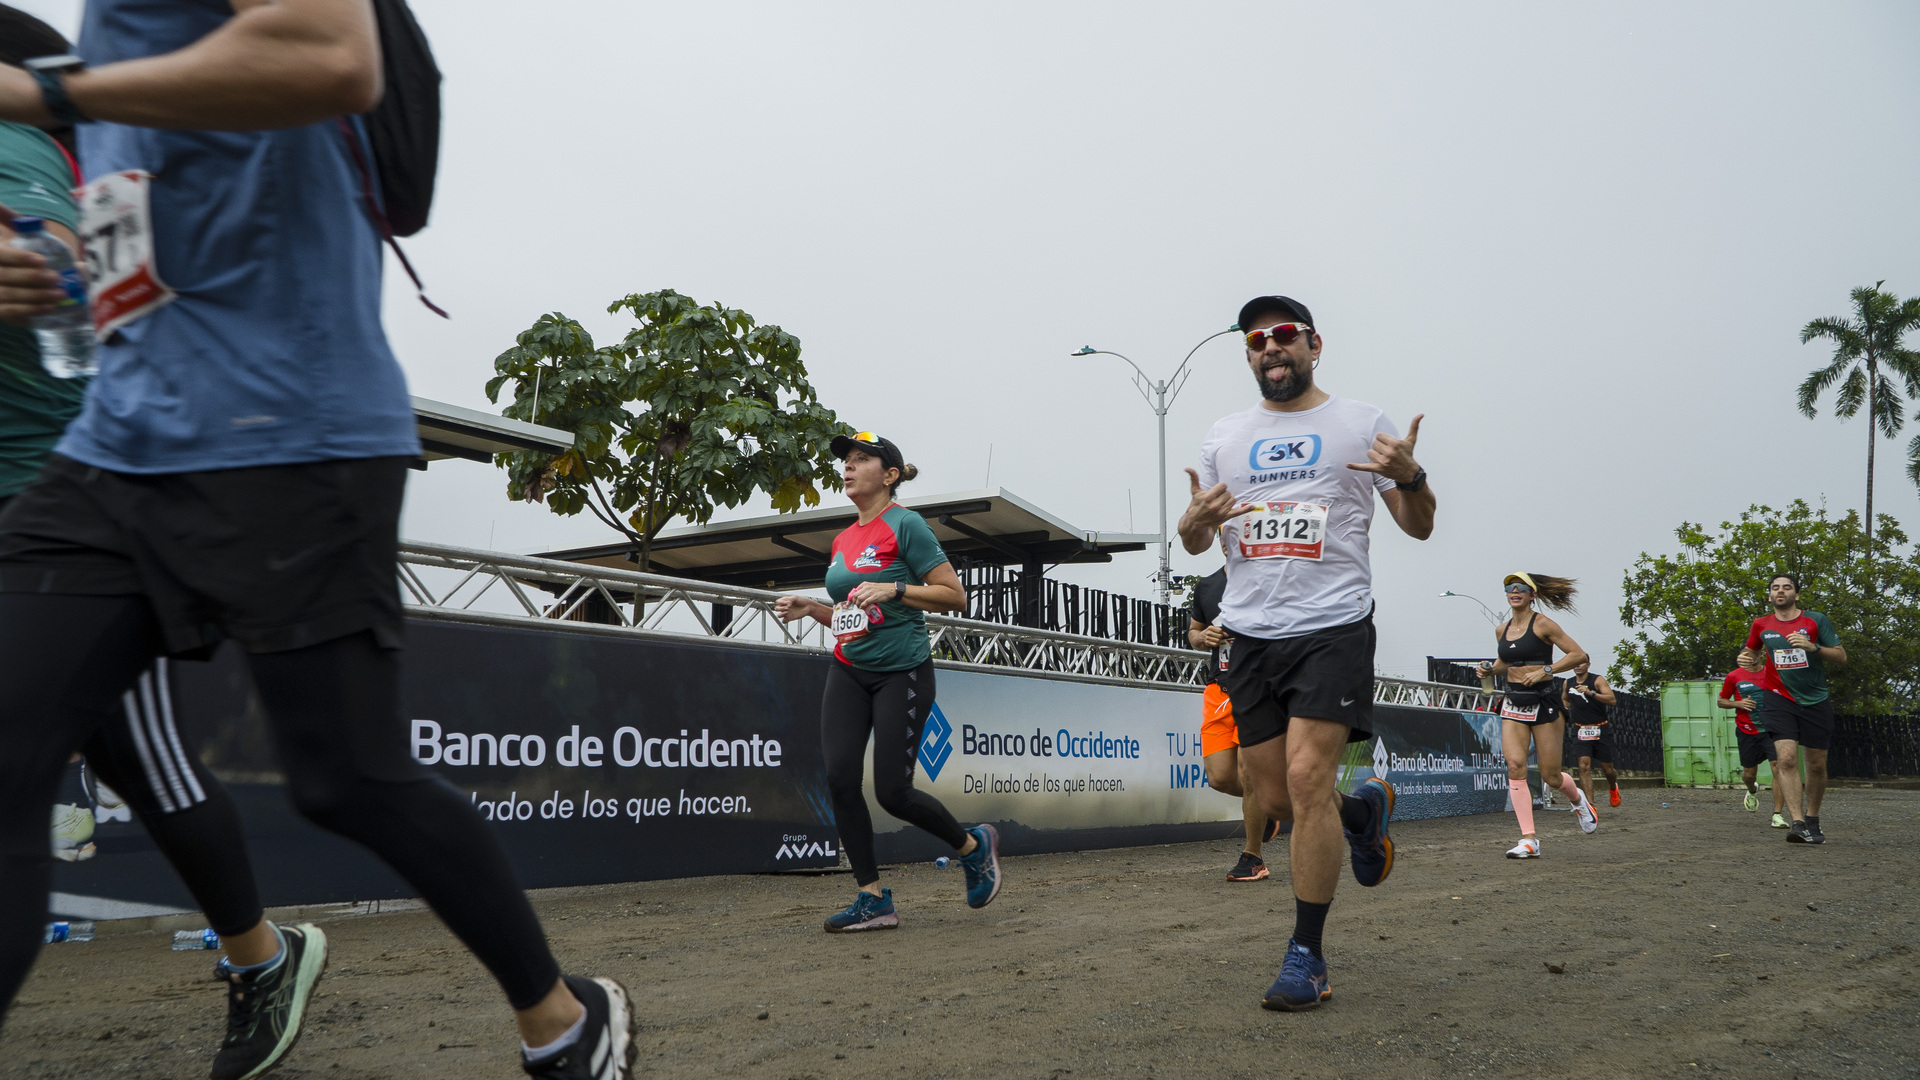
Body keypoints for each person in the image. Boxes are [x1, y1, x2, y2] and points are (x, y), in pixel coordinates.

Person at [0, 5, 634, 1077]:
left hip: (295, 431)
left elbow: (332, 55)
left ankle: (566, 1020)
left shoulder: (59, 79)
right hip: (116, 448)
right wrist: (47, 271)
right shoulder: (100, 36)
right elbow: (120, 248)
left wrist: (53, 92)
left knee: (347, 779)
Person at [1177, 294, 1432, 1012]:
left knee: (1306, 775)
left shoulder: (1360, 423)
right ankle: (1361, 815)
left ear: (1314, 345)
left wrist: (1411, 476)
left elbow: (1419, 526)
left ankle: (1307, 955)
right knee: (1277, 799)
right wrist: (1193, 523)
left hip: (1332, 625)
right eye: (1256, 340)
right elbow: (1197, 541)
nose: (1271, 347)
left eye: (1284, 335)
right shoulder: (1225, 436)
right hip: (1248, 634)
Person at [774, 431, 1000, 932]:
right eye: (847, 461)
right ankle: (872, 898)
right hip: (849, 668)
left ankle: (972, 846)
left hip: (903, 671)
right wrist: (812, 608)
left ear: (890, 475)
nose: (849, 467)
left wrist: (895, 588)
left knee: (893, 793)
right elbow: (851, 617)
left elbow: (954, 596)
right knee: (839, 778)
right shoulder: (842, 540)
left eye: (861, 459)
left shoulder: (907, 524)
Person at [1473, 573, 1597, 857]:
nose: (1514, 591)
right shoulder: (1501, 629)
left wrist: (1546, 670)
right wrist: (1488, 669)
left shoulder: (1543, 624)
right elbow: (1506, 662)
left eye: (1521, 587)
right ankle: (1529, 840)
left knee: (1550, 776)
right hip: (1514, 702)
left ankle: (1579, 801)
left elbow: (1578, 654)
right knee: (1515, 766)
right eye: (1509, 587)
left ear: (1533, 594)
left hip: (1544, 702)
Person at [1187, 563, 1279, 881]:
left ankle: (1253, 858)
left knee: (1248, 771)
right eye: (1225, 537)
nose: (1231, 541)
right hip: (1219, 691)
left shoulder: (1271, 576)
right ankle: (1267, 807)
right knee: (1221, 778)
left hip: (1258, 688)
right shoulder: (1207, 585)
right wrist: (1202, 637)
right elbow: (1193, 632)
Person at [1739, 573, 1845, 844]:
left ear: (1796, 595)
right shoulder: (1761, 624)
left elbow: (1841, 656)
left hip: (1814, 700)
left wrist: (1813, 647)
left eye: (1787, 587)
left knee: (1816, 764)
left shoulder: (1815, 620)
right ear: (1769, 595)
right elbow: (1751, 652)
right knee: (1786, 759)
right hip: (1778, 699)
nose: (1780, 591)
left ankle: (1812, 819)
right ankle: (1797, 823)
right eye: (1775, 588)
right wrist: (1746, 658)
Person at [1718, 653, 1787, 826]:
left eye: (1755, 653)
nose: (1751, 657)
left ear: (1762, 654)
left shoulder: (1772, 672)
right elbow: (1721, 701)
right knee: (1749, 774)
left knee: (1778, 767)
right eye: (1747, 654)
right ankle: (1752, 789)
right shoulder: (1734, 676)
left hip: (1771, 729)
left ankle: (1777, 814)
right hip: (1747, 730)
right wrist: (1738, 704)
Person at [1562, 660, 1621, 808]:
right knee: (1583, 766)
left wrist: (1590, 693)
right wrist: (1564, 708)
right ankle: (1590, 805)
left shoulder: (1597, 680)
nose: (1578, 665)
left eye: (1581, 663)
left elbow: (1612, 700)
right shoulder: (1568, 683)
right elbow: (1565, 699)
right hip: (1580, 729)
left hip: (1600, 728)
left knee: (1607, 769)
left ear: (1588, 665)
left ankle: (1613, 787)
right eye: (1576, 663)